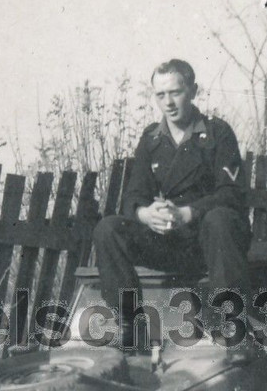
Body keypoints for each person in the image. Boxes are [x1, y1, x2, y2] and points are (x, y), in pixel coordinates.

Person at [92, 58, 253, 350]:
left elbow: (232, 193)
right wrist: (145, 214)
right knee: (108, 228)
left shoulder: (217, 134)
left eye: (175, 92)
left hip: (210, 245)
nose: (168, 102)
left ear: (192, 91)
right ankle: (129, 325)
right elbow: (132, 197)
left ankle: (225, 326)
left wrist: (188, 213)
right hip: (169, 243)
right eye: (160, 95)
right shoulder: (151, 138)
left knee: (219, 219)